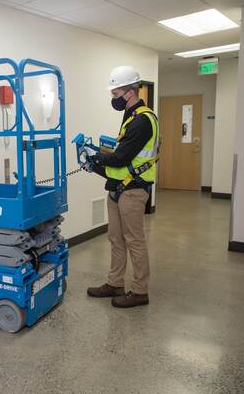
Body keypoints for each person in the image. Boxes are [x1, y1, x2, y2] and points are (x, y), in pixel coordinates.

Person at [85, 66, 160, 308]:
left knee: (134, 240)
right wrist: (96, 162)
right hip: (118, 189)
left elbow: (121, 158)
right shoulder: (129, 116)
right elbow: (120, 156)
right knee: (116, 239)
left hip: (134, 190)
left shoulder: (143, 120)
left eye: (115, 92)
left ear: (129, 92)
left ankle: (140, 291)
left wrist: (96, 156)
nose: (113, 98)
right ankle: (115, 283)